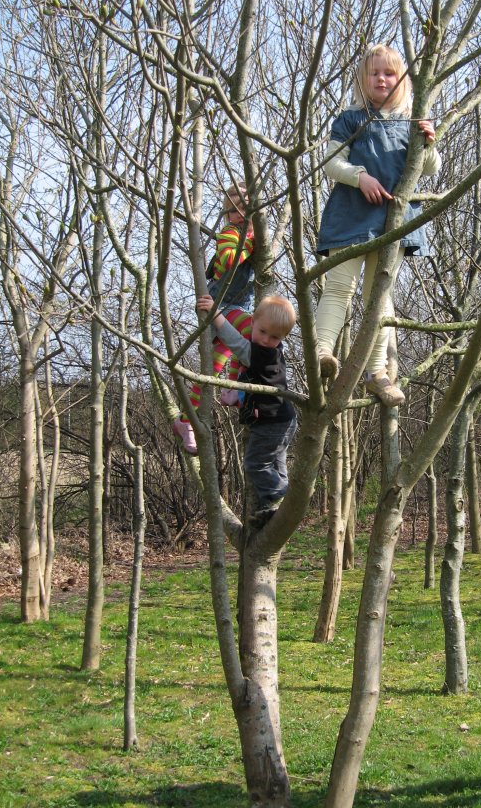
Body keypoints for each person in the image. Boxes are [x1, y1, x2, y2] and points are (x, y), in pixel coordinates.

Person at [315, 43, 441, 407]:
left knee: (379, 296)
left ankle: (376, 373)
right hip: (351, 216)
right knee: (339, 287)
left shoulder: (411, 121)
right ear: (363, 79)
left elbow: (430, 168)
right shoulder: (351, 119)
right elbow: (332, 163)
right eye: (374, 73)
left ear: (401, 80)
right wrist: (360, 177)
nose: (382, 79)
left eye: (389, 73)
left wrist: (429, 141)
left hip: (393, 222)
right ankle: (321, 354)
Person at [194, 292, 297, 518]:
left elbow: (237, 345)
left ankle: (278, 498)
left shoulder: (266, 355)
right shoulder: (270, 354)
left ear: (283, 338)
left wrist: (217, 315)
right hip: (281, 419)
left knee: (255, 464)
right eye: (262, 331)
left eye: (274, 337)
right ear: (252, 323)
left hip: (272, 422)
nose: (266, 340)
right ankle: (277, 505)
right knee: (275, 462)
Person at [173, 185, 255, 454]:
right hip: (221, 305)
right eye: (234, 210)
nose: (240, 214)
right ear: (228, 214)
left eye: (245, 208)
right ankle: (233, 389)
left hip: (238, 305)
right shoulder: (230, 234)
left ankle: (186, 420)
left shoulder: (254, 235)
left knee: (211, 370)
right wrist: (251, 243)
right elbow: (230, 260)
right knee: (251, 329)